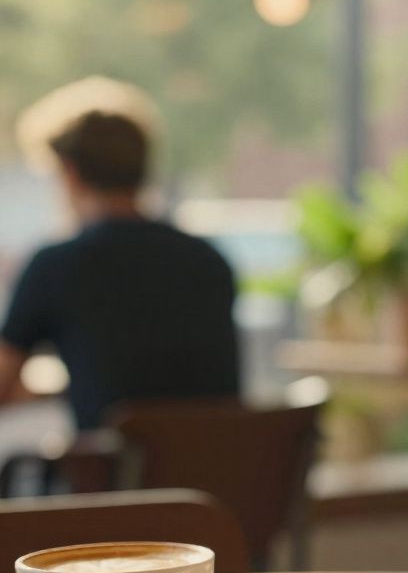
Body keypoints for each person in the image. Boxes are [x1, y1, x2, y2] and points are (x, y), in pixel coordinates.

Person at [0, 78, 240, 432]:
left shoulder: (58, 266)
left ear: (69, 172)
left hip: (118, 483)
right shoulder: (207, 260)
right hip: (214, 479)